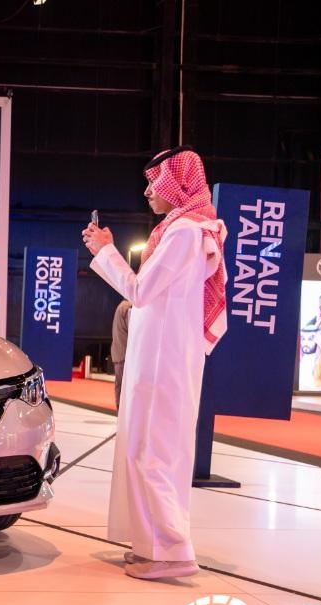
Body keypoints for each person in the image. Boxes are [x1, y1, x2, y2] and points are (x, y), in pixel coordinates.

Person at [81, 146, 227, 580]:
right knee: (145, 448)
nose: (147, 192)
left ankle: (173, 551)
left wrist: (106, 251)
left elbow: (141, 291)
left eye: (154, 183)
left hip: (164, 360)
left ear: (177, 185)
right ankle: (151, 545)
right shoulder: (181, 229)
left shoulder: (185, 233)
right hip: (160, 356)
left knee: (155, 452)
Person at [111, 299, 132, 409]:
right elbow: (133, 331)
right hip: (125, 355)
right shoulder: (128, 308)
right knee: (126, 388)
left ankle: (119, 412)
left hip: (118, 352)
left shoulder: (120, 307)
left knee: (119, 385)